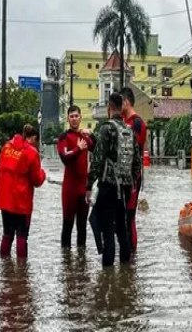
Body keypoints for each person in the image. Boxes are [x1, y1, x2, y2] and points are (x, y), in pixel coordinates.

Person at [86, 92, 136, 267]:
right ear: (122, 107)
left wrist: (88, 185)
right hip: (125, 187)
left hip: (108, 187)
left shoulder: (106, 128)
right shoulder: (130, 131)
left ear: (109, 107)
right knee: (122, 230)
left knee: (107, 231)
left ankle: (107, 276)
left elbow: (97, 159)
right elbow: (137, 164)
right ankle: (125, 274)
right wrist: (131, 186)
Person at [0, 124, 46, 259]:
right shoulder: (31, 152)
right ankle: (22, 273)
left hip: (5, 200)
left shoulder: (6, 147)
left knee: (7, 234)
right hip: (21, 201)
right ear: (34, 138)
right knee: (22, 236)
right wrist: (43, 173)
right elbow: (37, 180)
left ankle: (5, 269)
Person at [57, 105, 96, 248]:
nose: (74, 119)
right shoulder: (64, 137)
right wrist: (78, 149)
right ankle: (66, 262)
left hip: (83, 188)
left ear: (81, 118)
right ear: (68, 119)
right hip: (69, 189)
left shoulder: (84, 136)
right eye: (71, 116)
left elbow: (97, 149)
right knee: (67, 226)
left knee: (82, 227)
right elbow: (65, 158)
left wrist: (91, 134)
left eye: (76, 116)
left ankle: (82, 263)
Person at [119, 87, 147, 254]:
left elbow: (131, 148)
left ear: (126, 102)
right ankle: (124, 255)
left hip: (132, 177)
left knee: (129, 217)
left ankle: (131, 258)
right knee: (120, 217)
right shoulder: (122, 121)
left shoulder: (137, 123)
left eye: (119, 102)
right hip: (120, 178)